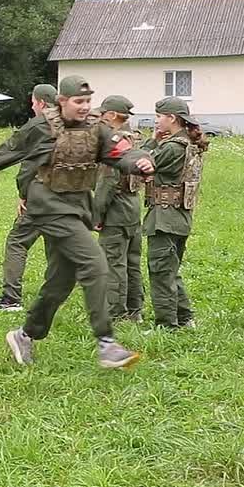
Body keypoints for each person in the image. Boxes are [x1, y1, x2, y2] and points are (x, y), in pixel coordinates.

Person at [0, 76, 154, 369]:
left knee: (62, 278)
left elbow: (121, 152)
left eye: (87, 101)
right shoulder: (41, 126)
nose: (84, 107)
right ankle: (107, 343)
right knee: (95, 263)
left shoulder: (97, 128)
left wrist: (139, 160)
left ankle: (24, 334)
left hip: (79, 206)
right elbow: (3, 155)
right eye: (78, 102)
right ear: (62, 102)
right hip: (48, 205)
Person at [0, 83, 59, 312]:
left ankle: (11, 299)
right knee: (55, 246)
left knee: (17, 242)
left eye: (33, 101)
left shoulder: (39, 124)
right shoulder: (71, 123)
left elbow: (12, 153)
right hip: (68, 196)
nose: (31, 105)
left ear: (40, 102)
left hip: (41, 196)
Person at [142, 96, 207, 330]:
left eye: (159, 116)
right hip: (180, 216)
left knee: (160, 271)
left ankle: (167, 324)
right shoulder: (190, 143)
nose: (156, 121)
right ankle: (185, 317)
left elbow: (138, 162)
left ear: (172, 118)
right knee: (171, 270)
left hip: (164, 217)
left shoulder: (171, 148)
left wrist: (151, 143)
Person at [93, 95, 145, 322]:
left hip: (115, 209)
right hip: (133, 206)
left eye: (103, 114)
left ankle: (116, 313)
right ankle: (135, 309)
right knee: (133, 263)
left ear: (111, 115)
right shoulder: (133, 139)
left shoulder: (113, 143)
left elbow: (107, 183)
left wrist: (97, 215)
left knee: (114, 263)